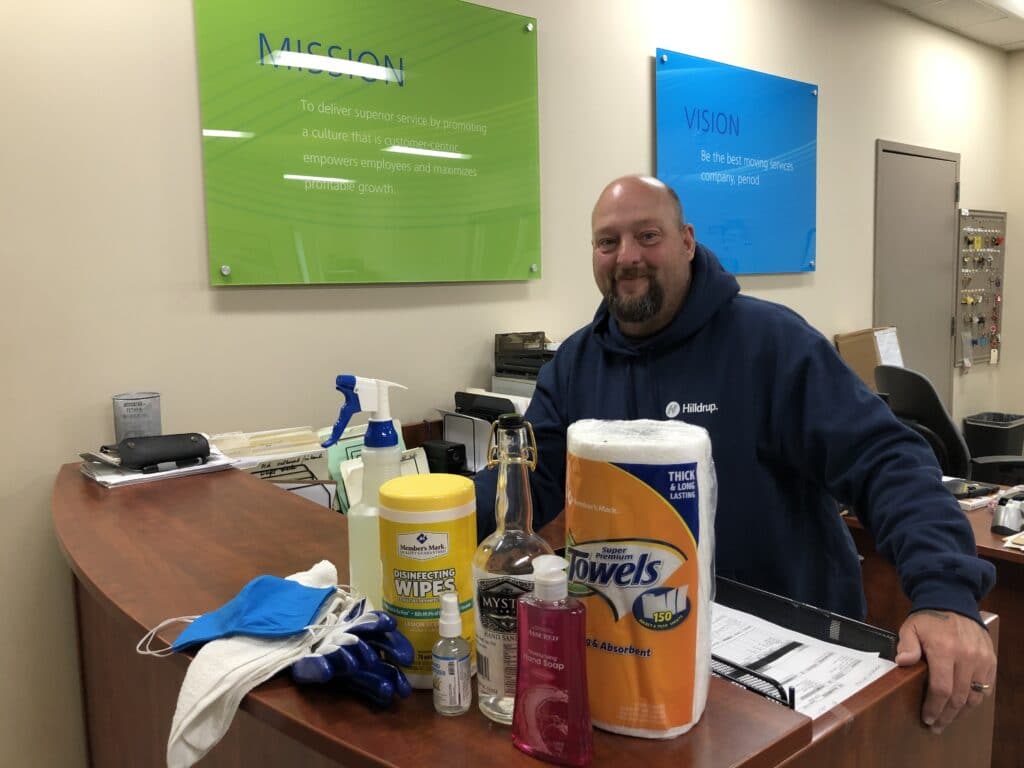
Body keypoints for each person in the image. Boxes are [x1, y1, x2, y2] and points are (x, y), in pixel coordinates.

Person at [474, 174, 996, 734]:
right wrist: (435, 520)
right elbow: (526, 477)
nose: (626, 257)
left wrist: (944, 593)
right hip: (634, 654)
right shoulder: (576, 363)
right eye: (608, 242)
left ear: (687, 241)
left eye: (647, 235)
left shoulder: (772, 344)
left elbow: (887, 459)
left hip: (783, 656)